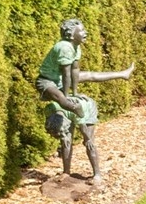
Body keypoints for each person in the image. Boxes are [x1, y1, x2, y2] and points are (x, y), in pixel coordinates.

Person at [36, 19, 132, 184]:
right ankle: (66, 171)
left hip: (74, 102)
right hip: (53, 82)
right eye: (82, 31)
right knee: (67, 135)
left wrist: (74, 93)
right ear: (71, 34)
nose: (85, 33)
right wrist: (68, 97)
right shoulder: (64, 47)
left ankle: (97, 174)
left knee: (88, 139)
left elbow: (73, 72)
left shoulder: (74, 47)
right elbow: (65, 75)